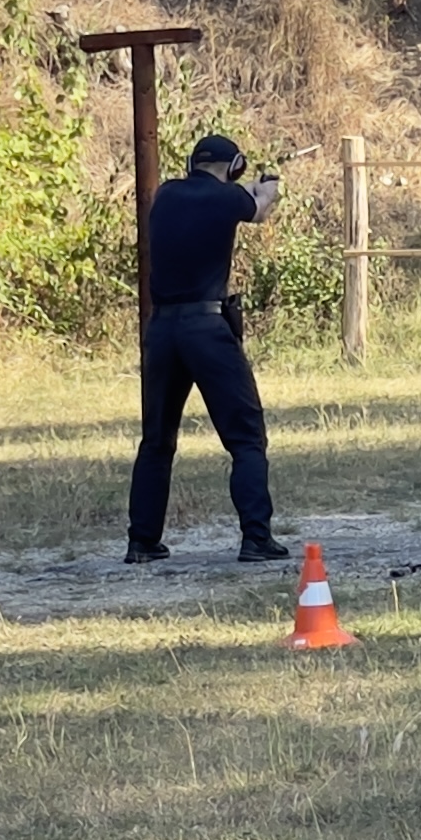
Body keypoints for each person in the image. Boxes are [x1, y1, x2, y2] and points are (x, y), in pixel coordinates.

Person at [126, 131, 287, 565]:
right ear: (235, 167)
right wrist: (269, 188)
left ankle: (142, 541)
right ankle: (256, 538)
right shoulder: (230, 198)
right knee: (246, 438)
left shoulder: (166, 195)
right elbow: (258, 209)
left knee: (156, 441)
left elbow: (220, 197)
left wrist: (245, 190)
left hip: (162, 330)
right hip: (207, 328)